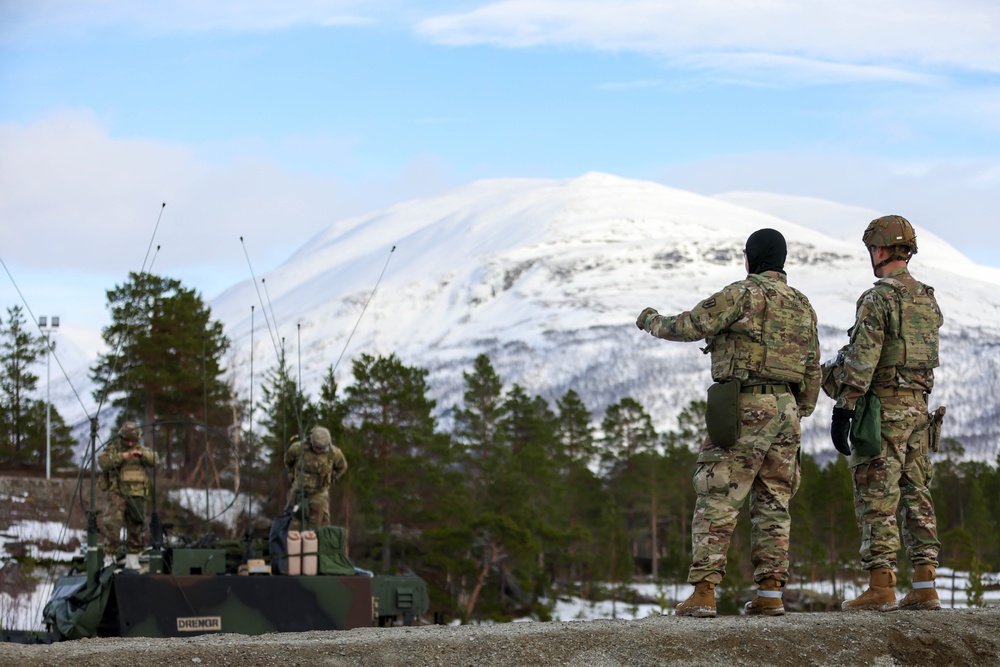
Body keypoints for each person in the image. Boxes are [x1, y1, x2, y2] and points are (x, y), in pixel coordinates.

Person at [636, 228, 820, 618]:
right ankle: (770, 594)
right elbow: (812, 366)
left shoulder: (742, 293)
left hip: (746, 405)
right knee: (774, 502)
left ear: (750, 258)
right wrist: (799, 408)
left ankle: (704, 591)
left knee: (717, 493)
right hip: (787, 409)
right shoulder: (803, 305)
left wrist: (650, 320)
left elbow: (689, 326)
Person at [830, 215, 944, 612]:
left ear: (879, 250)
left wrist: (844, 407)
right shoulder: (927, 298)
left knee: (877, 493)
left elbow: (863, 360)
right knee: (918, 493)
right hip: (920, 409)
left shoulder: (879, 297)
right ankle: (925, 584)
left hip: (884, 409)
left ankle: (881, 586)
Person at [98, 421, 158, 570]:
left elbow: (155, 459)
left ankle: (133, 558)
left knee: (136, 526)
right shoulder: (113, 449)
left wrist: (141, 455)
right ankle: (110, 557)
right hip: (117, 494)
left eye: (133, 440)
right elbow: (103, 462)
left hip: (136, 494)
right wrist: (122, 457)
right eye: (128, 440)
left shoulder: (141, 449)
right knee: (113, 525)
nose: (130, 444)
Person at [285, 426, 348, 532]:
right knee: (292, 524)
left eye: (322, 449)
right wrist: (292, 474)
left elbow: (342, 467)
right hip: (298, 491)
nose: (318, 451)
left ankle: (313, 547)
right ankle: (290, 547)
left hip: (319, 494)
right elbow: (288, 461)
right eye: (316, 448)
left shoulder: (334, 454)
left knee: (317, 528)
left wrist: (332, 477)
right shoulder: (297, 448)